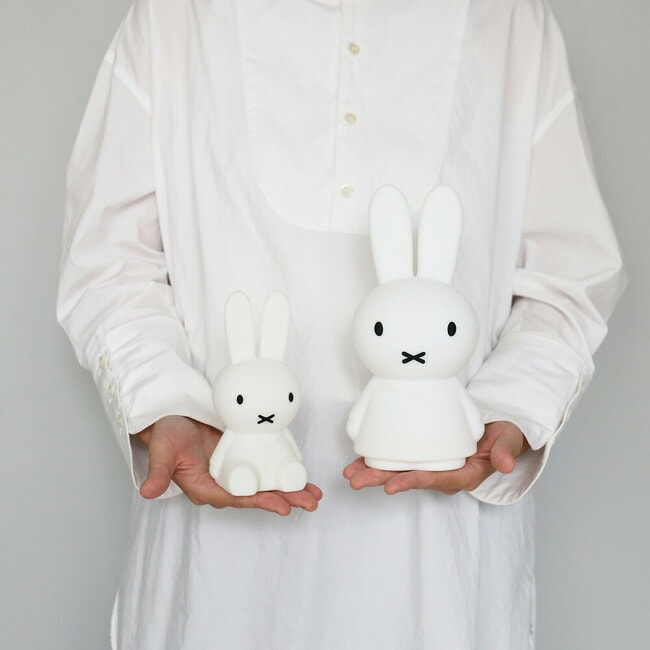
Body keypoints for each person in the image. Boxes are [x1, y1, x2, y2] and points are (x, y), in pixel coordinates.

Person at [56, 1, 626, 648]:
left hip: (436, 560)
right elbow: (109, 262)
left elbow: (570, 274)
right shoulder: (175, 17)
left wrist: (505, 414)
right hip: (214, 548)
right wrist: (166, 405)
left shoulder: (511, 21)